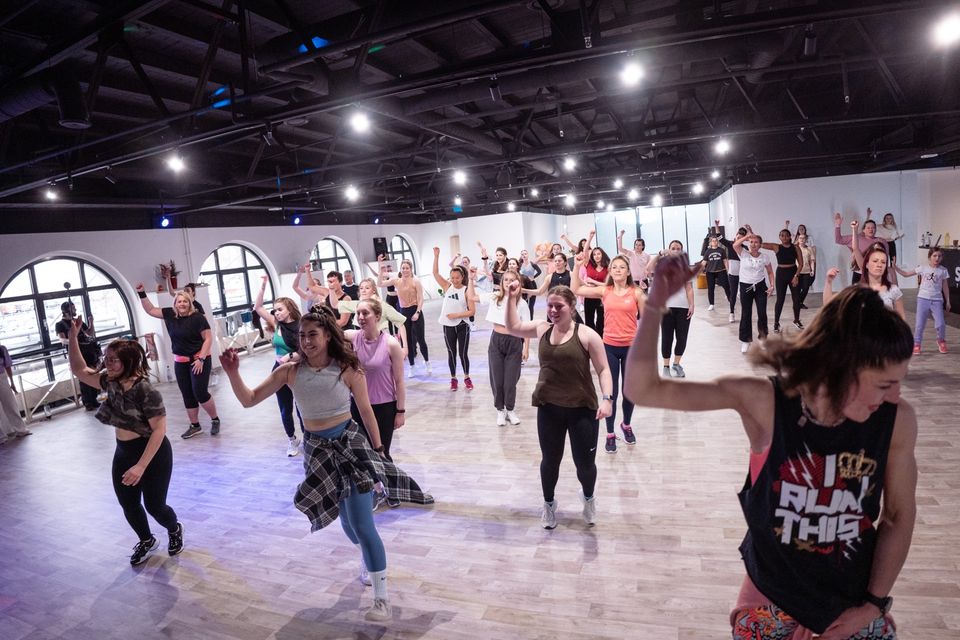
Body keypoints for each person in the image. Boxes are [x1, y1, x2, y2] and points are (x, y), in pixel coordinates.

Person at [624, 257, 917, 640]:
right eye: (883, 385)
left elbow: (897, 516)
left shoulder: (896, 419)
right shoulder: (766, 402)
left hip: (853, 597)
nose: (895, 396)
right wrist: (656, 299)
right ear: (841, 365)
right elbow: (643, 389)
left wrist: (873, 605)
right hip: (771, 596)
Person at [218, 306, 396, 622]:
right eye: (302, 335)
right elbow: (248, 400)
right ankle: (367, 554)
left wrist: (379, 450)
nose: (306, 341)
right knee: (347, 524)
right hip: (317, 454)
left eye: (313, 334)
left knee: (363, 524)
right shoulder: (290, 371)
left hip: (349, 447)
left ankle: (381, 599)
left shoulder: (347, 368)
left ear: (328, 335)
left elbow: (366, 412)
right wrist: (233, 373)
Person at [66, 320, 184, 566]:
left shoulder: (145, 390)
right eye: (106, 358)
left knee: (155, 506)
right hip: (124, 452)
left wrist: (141, 466)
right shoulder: (109, 381)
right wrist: (72, 337)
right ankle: (147, 540)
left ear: (128, 362)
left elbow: (159, 431)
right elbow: (79, 370)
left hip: (152, 453)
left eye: (113, 360)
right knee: (128, 504)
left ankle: (174, 529)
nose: (106, 363)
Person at [503, 283, 612, 529]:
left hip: (582, 408)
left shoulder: (586, 335)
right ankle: (549, 505)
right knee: (549, 461)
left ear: (572, 307)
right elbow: (513, 327)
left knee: (584, 465)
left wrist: (607, 399)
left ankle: (588, 498)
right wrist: (511, 298)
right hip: (549, 407)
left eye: (558, 306)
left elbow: (604, 369)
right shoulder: (543, 329)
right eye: (550, 305)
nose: (553, 310)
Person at [571, 253, 645, 453]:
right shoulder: (605, 290)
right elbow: (576, 289)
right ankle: (610, 432)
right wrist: (577, 267)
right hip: (609, 347)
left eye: (622, 267)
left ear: (628, 271)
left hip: (631, 347)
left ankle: (626, 425)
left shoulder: (636, 293)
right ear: (610, 272)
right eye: (614, 267)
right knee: (609, 393)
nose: (618, 270)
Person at [136, 283, 220, 438]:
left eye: (185, 301)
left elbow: (208, 339)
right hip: (181, 362)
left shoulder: (198, 318)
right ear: (175, 304)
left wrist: (201, 358)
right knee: (187, 394)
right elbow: (150, 310)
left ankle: (215, 420)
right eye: (179, 301)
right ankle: (195, 425)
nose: (182, 304)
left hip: (199, 360)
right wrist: (141, 293)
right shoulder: (170, 314)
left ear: (190, 303)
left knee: (200, 392)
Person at [469, 268, 531, 425]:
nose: (509, 283)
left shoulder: (522, 303)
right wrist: (470, 279)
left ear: (518, 283)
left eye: (512, 280)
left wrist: (526, 348)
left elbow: (528, 327)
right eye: (506, 280)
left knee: (510, 381)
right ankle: (500, 410)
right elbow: (471, 297)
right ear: (502, 283)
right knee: (497, 379)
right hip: (496, 341)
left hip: (514, 342)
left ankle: (510, 409)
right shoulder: (495, 297)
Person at [253, 277, 304, 457]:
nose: (276, 313)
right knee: (285, 407)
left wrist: (289, 357)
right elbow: (258, 308)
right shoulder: (276, 324)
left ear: (289, 309)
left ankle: (309, 437)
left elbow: (304, 351)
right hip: (279, 369)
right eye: (274, 310)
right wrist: (263, 286)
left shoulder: (301, 326)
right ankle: (292, 439)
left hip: (297, 369)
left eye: (280, 309)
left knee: (301, 407)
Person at [647, 241, 695, 377]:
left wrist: (691, 304)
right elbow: (648, 269)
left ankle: (676, 364)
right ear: (668, 250)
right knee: (667, 337)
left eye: (678, 248)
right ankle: (666, 367)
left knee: (682, 338)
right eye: (673, 248)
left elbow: (689, 288)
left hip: (683, 307)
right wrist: (660, 253)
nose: (675, 250)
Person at [431, 247, 476, 391]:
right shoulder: (447, 286)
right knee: (451, 353)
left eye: (458, 278)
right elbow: (435, 273)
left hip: (462, 325)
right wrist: (436, 256)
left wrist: (456, 315)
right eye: (453, 278)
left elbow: (472, 311)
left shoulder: (466, 290)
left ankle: (467, 377)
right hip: (448, 326)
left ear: (462, 277)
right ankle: (453, 379)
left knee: (463, 353)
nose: (455, 280)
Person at [379, 254, 431, 377]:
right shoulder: (396, 281)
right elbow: (380, 284)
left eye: (407, 268)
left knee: (420, 339)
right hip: (403, 312)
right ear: (401, 269)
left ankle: (427, 361)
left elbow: (421, 299)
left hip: (415, 310)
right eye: (403, 268)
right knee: (406, 340)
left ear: (411, 269)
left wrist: (417, 312)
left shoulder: (416, 281)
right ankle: (412, 366)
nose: (405, 270)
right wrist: (380, 269)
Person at [895, 247, 951, 354]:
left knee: (941, 324)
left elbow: (945, 287)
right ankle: (917, 344)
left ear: (942, 258)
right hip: (923, 299)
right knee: (920, 324)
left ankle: (941, 340)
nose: (937, 258)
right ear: (930, 257)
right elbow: (906, 274)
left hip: (937, 300)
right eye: (934, 256)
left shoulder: (943, 270)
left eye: (939, 256)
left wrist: (947, 301)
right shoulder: (923, 268)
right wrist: (895, 268)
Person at [732, 231, 776, 354]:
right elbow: (735, 245)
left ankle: (763, 338)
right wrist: (746, 237)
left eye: (756, 242)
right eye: (751, 242)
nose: (753, 244)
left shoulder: (765, 257)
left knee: (762, 313)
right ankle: (746, 340)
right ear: (748, 243)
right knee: (746, 313)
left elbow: (770, 272)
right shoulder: (743, 254)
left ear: (760, 244)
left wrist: (772, 285)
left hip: (760, 286)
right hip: (745, 286)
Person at [55, 301, 101, 410]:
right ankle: (88, 402)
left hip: (88, 352)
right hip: (77, 353)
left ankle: (94, 400)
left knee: (93, 373)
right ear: (66, 311)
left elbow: (89, 333)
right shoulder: (60, 324)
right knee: (83, 378)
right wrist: (73, 339)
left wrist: (91, 322)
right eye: (72, 308)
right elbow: (62, 339)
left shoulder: (78, 321)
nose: (75, 310)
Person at [758, 229, 804, 332]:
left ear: (790, 237)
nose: (784, 237)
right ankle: (776, 323)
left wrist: (796, 276)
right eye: (782, 236)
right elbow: (761, 244)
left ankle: (796, 320)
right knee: (780, 300)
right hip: (781, 275)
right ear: (779, 237)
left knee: (796, 299)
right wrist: (751, 234)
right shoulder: (776, 247)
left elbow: (801, 264)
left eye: (786, 236)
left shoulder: (795, 247)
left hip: (793, 273)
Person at [834, 212, 890, 284]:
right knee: (856, 294)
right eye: (868, 228)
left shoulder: (882, 241)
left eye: (873, 228)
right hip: (859, 272)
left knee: (874, 294)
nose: (871, 229)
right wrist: (837, 225)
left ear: (876, 229)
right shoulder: (856, 238)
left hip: (875, 274)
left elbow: (886, 258)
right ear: (864, 230)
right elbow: (838, 240)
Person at [0, 342, 31, 443]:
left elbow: (7, 366)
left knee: (10, 404)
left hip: (2, 377)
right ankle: (1, 437)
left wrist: (12, 382)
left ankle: (21, 429)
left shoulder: (2, 349)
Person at [583, 246, 610, 337]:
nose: (596, 256)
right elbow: (585, 251)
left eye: (598, 254)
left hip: (601, 296)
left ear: (602, 255)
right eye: (594, 254)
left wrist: (592, 281)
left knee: (601, 320)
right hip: (589, 296)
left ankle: (600, 339)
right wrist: (590, 237)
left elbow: (609, 284)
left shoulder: (608, 267)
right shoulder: (589, 264)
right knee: (589, 320)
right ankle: (591, 339)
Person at [700, 236, 731, 311]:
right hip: (710, 272)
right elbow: (704, 262)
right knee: (711, 288)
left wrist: (728, 270)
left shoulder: (721, 250)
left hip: (721, 271)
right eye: (713, 241)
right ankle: (711, 304)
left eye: (716, 240)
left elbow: (725, 260)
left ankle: (731, 301)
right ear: (710, 242)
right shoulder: (708, 251)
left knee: (726, 286)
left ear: (718, 242)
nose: (715, 242)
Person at [795, 234, 816, 310]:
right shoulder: (795, 248)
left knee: (805, 288)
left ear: (806, 239)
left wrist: (812, 270)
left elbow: (812, 261)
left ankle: (799, 302)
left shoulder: (809, 249)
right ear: (798, 239)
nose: (802, 239)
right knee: (797, 289)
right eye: (800, 238)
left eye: (803, 238)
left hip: (806, 272)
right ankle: (798, 303)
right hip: (797, 272)